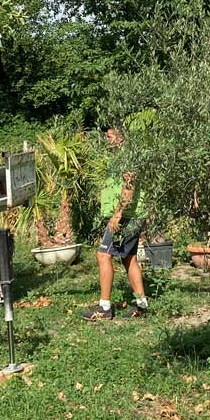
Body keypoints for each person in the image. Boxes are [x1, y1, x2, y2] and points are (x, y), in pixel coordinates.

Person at [81, 128, 149, 321]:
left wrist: (117, 214)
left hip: (125, 216)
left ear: (121, 136)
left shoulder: (128, 157)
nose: (106, 139)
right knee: (129, 259)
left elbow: (129, 186)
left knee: (103, 255)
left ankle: (104, 308)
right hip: (130, 215)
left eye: (109, 136)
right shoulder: (122, 156)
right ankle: (141, 305)